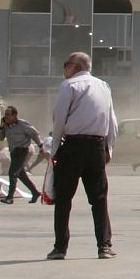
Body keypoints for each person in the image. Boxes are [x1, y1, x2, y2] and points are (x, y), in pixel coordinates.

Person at [47, 52, 119, 260]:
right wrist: (109, 149)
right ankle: (104, 246)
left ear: (75, 67)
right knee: (99, 199)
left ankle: (60, 247)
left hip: (73, 146)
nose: (64, 69)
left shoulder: (69, 86)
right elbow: (112, 120)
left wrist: (54, 150)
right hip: (96, 146)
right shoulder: (103, 86)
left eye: (65, 65)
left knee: (63, 199)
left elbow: (59, 118)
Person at [0, 106, 44, 204]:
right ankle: (35, 192)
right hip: (13, 152)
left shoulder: (23, 125)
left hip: (22, 151)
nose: (6, 117)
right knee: (21, 175)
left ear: (14, 115)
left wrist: (41, 145)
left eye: (8, 114)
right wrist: (1, 127)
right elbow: (0, 138)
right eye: (5, 115)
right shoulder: (6, 126)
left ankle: (10, 197)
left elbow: (35, 134)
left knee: (12, 173)